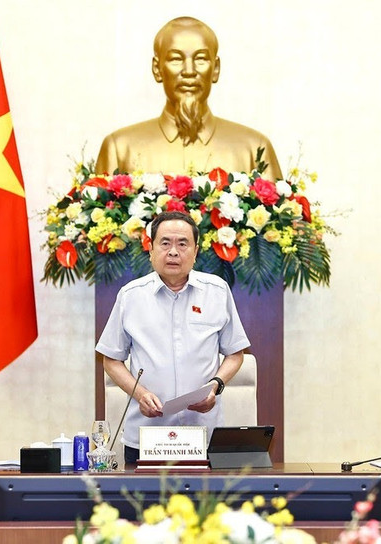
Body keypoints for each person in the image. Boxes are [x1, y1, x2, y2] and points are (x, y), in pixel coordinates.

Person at [95, 211, 250, 464]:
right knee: (143, 504)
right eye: (165, 243)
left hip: (203, 435)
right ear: (151, 250)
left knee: (206, 504)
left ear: (196, 251)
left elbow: (235, 353)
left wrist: (215, 386)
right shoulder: (131, 296)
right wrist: (141, 394)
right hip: (147, 436)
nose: (174, 252)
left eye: (182, 244)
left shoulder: (217, 291)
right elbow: (110, 359)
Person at [95, 16, 282, 179]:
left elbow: (284, 217)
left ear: (215, 69)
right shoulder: (120, 149)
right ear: (157, 69)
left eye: (201, 58)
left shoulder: (254, 149)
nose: (189, 71)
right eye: (176, 59)